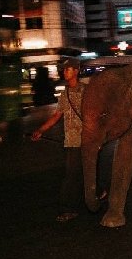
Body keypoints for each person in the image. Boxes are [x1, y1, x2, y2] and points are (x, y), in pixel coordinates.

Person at [31, 58, 93, 222]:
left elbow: (95, 116)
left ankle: (69, 208)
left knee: (74, 175)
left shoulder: (87, 91)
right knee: (75, 174)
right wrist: (40, 130)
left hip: (86, 139)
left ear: (76, 71)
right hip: (71, 141)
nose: (64, 72)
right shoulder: (64, 94)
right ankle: (92, 194)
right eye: (64, 70)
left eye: (67, 69)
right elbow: (57, 116)